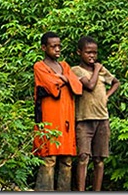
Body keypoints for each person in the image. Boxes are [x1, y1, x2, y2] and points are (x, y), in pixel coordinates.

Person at [33, 31, 83, 191]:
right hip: (49, 117)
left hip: (66, 118)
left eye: (59, 46)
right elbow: (51, 85)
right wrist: (66, 80)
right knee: (49, 158)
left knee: (67, 160)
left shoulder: (65, 66)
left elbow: (78, 86)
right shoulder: (39, 66)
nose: (57, 49)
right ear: (44, 47)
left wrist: (66, 78)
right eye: (53, 46)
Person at [71, 35, 120, 191]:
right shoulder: (76, 70)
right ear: (79, 52)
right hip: (84, 119)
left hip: (102, 119)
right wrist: (98, 69)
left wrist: (106, 96)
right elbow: (90, 85)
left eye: (94, 53)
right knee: (83, 157)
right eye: (88, 52)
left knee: (99, 159)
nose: (92, 56)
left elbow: (116, 82)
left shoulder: (101, 70)